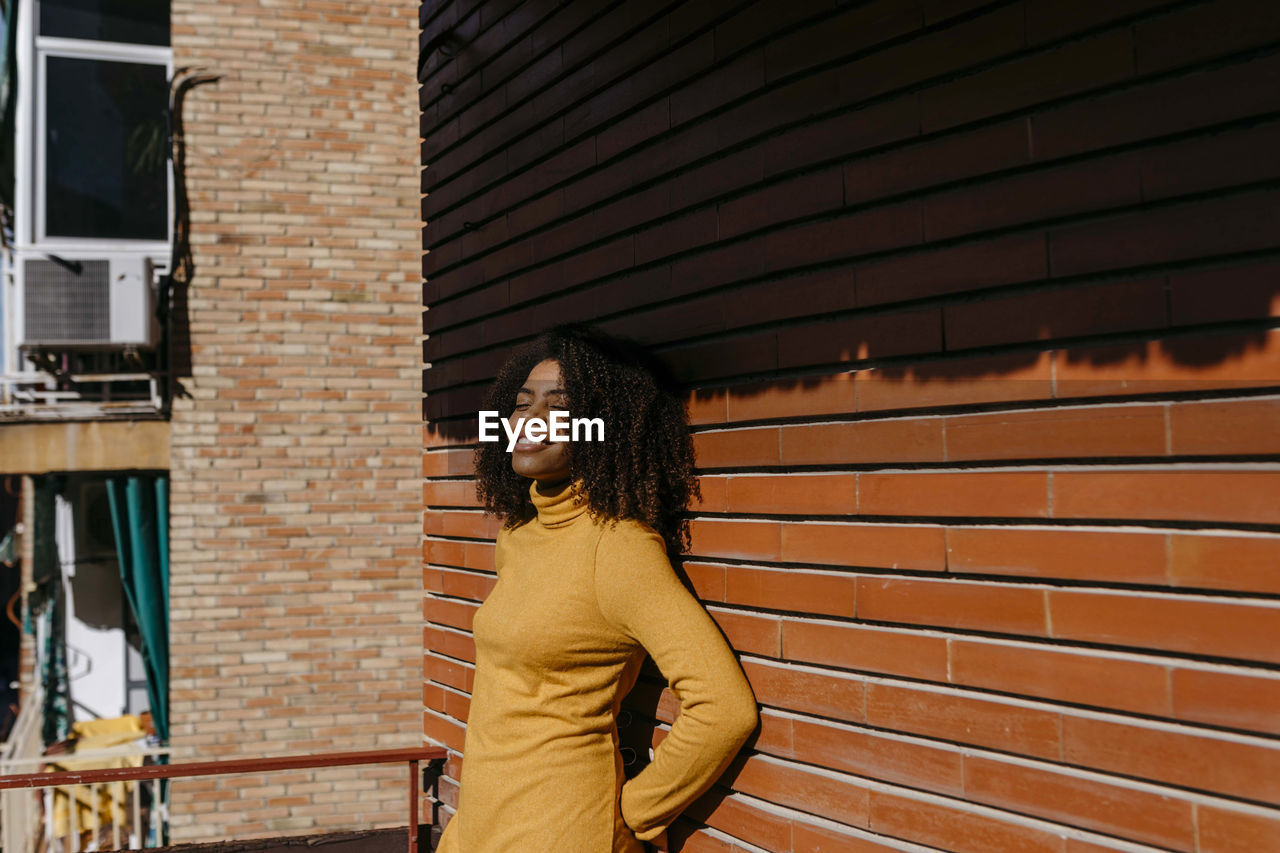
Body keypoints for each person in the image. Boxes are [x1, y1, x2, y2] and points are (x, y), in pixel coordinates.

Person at [434, 323, 759, 852]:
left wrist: (635, 812)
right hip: (481, 823)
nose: (530, 421)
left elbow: (723, 707)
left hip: (562, 830)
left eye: (558, 407)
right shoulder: (518, 534)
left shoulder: (618, 548)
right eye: (521, 404)